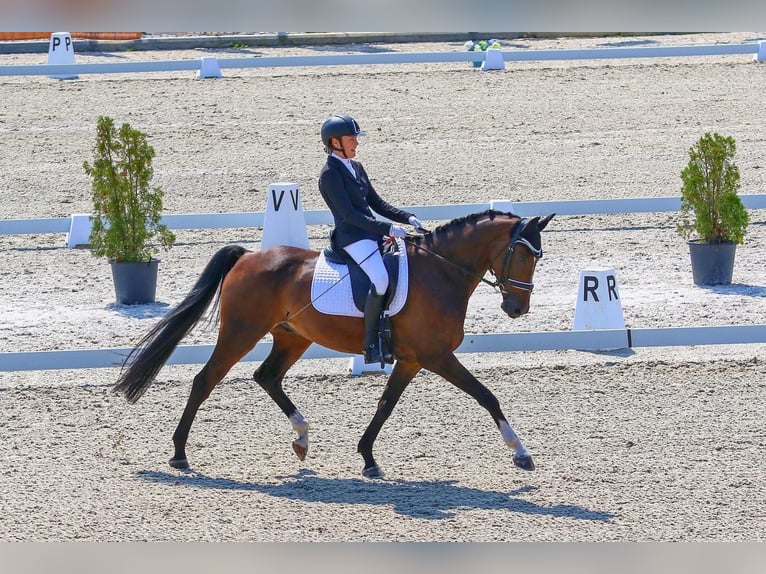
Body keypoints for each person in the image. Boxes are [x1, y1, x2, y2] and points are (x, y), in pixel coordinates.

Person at [318, 114, 426, 364]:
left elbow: (376, 203)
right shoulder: (330, 175)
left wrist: (407, 218)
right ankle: (370, 343)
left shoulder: (356, 167)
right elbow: (349, 215)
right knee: (380, 278)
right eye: (351, 139)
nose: (356, 143)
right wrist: (387, 229)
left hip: (371, 233)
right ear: (335, 142)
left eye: (356, 139)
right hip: (352, 237)